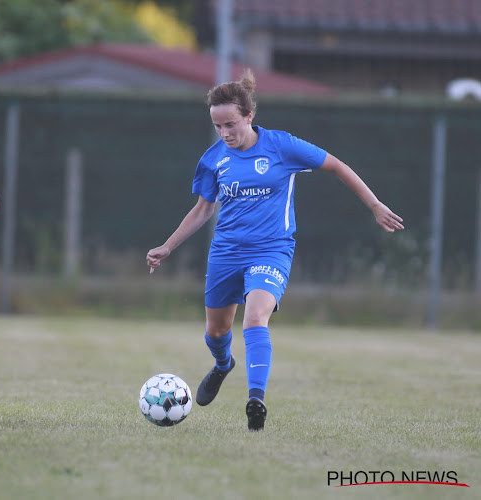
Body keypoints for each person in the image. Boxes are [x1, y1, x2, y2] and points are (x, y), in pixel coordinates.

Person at [145, 69, 404, 431]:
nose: (225, 133)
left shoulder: (282, 146)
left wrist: (374, 204)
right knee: (217, 332)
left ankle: (256, 402)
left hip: (272, 250)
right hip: (226, 253)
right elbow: (204, 208)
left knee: (254, 318)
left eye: (231, 124)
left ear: (250, 116)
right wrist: (168, 246)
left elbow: (337, 166)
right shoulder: (213, 159)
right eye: (218, 126)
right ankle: (223, 365)